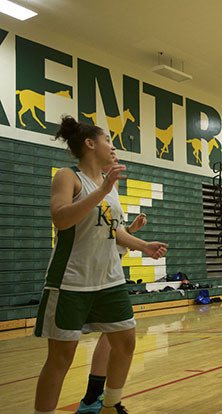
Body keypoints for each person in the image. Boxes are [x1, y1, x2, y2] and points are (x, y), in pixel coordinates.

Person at [34, 115, 168, 414]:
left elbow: (114, 230)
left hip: (109, 280)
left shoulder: (107, 186)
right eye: (108, 139)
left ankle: (109, 404)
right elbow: (61, 218)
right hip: (71, 280)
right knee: (61, 359)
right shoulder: (68, 176)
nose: (112, 146)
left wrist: (143, 245)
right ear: (90, 143)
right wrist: (101, 191)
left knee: (126, 343)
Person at [76, 209, 147, 414]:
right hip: (88, 273)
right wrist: (143, 245)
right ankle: (94, 400)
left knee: (114, 333)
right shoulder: (91, 190)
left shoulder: (112, 198)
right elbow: (100, 233)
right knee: (63, 349)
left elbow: (114, 235)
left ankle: (94, 399)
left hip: (109, 271)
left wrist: (131, 230)